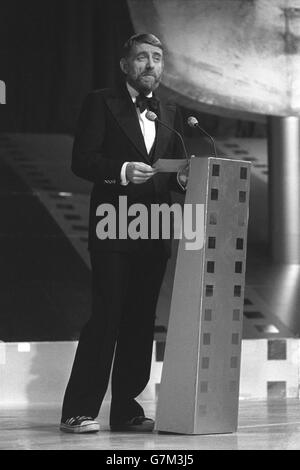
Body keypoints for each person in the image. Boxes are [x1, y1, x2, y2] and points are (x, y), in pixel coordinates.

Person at [60, 33, 188, 434]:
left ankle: (127, 410)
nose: (150, 65)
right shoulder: (101, 101)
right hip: (113, 224)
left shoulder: (171, 112)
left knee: (140, 321)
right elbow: (82, 160)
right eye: (141, 58)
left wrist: (184, 178)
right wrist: (120, 171)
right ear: (125, 65)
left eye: (157, 58)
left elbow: (173, 170)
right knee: (106, 317)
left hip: (155, 227)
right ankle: (78, 410)